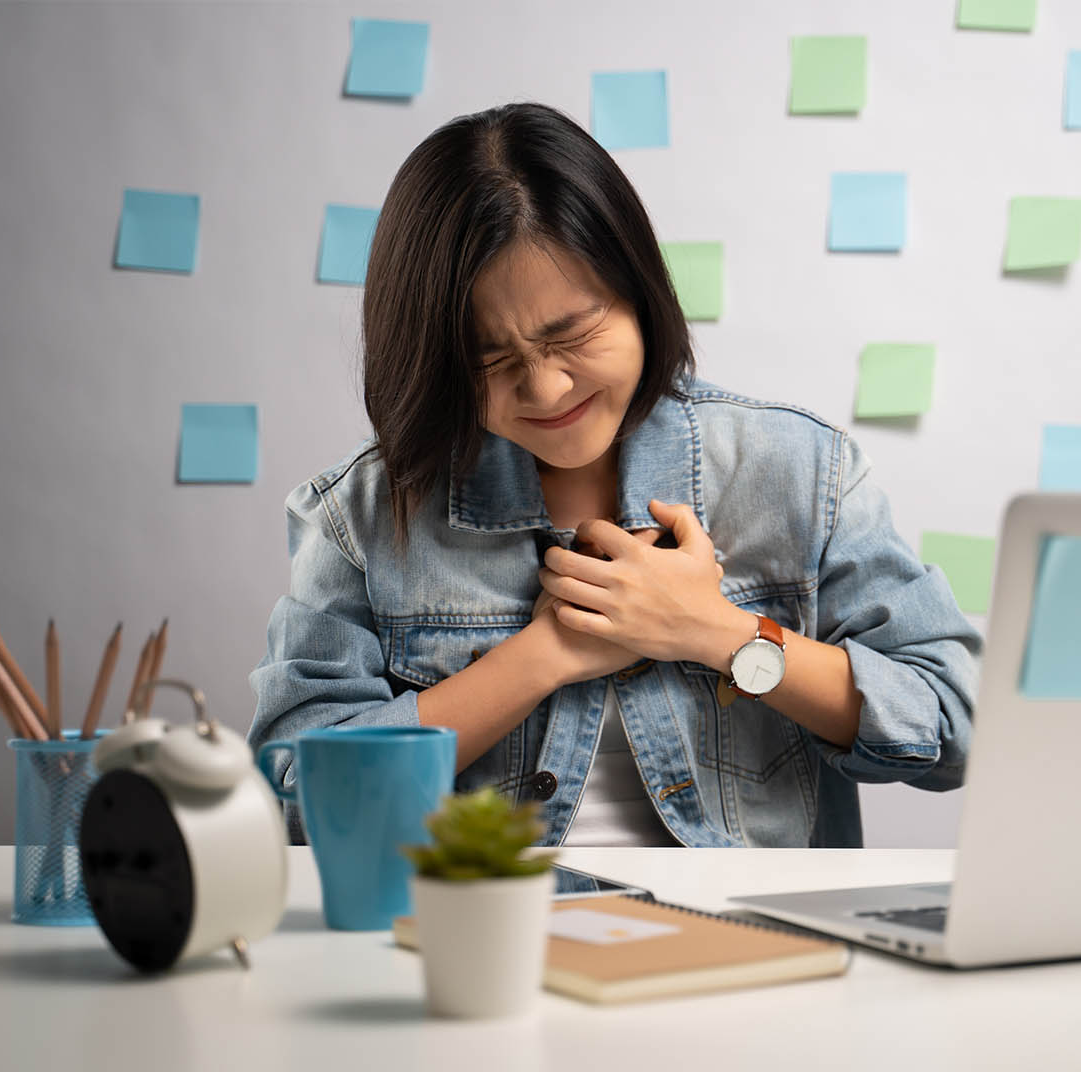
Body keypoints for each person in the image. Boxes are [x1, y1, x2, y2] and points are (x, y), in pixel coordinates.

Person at [247, 102, 980, 848]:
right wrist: (539, 659)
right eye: (489, 363)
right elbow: (293, 800)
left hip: (745, 946)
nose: (546, 390)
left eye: (573, 336)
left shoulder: (796, 471)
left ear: (639, 290)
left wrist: (717, 632)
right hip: (481, 939)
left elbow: (955, 725)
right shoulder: (361, 517)